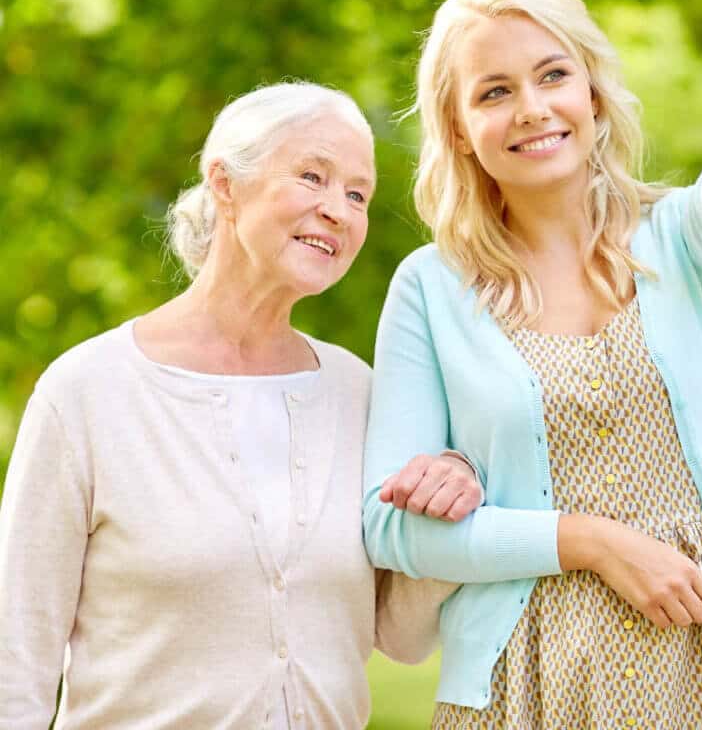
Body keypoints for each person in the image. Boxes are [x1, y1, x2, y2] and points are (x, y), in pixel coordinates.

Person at [362, 0, 702, 728]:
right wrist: (588, 542)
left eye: (553, 75)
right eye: (493, 92)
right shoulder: (430, 289)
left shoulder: (682, 244)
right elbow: (392, 526)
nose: (532, 108)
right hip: (519, 687)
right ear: (457, 129)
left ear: (591, 93)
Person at [0, 81, 483, 730]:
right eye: (313, 176)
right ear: (224, 183)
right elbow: (15, 657)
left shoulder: (358, 392)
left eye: (358, 194)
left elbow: (399, 635)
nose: (338, 210)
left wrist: (449, 501)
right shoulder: (87, 392)